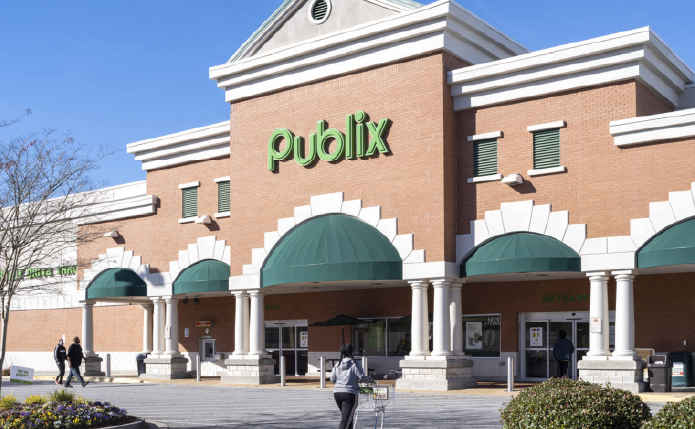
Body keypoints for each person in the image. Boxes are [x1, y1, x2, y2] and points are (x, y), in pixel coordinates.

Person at [330, 344, 371, 429]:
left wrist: (340, 384)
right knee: (346, 419)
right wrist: (370, 380)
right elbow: (361, 378)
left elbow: (332, 378)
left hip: (337, 393)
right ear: (352, 351)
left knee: (348, 417)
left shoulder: (338, 364)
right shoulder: (355, 364)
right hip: (350, 394)